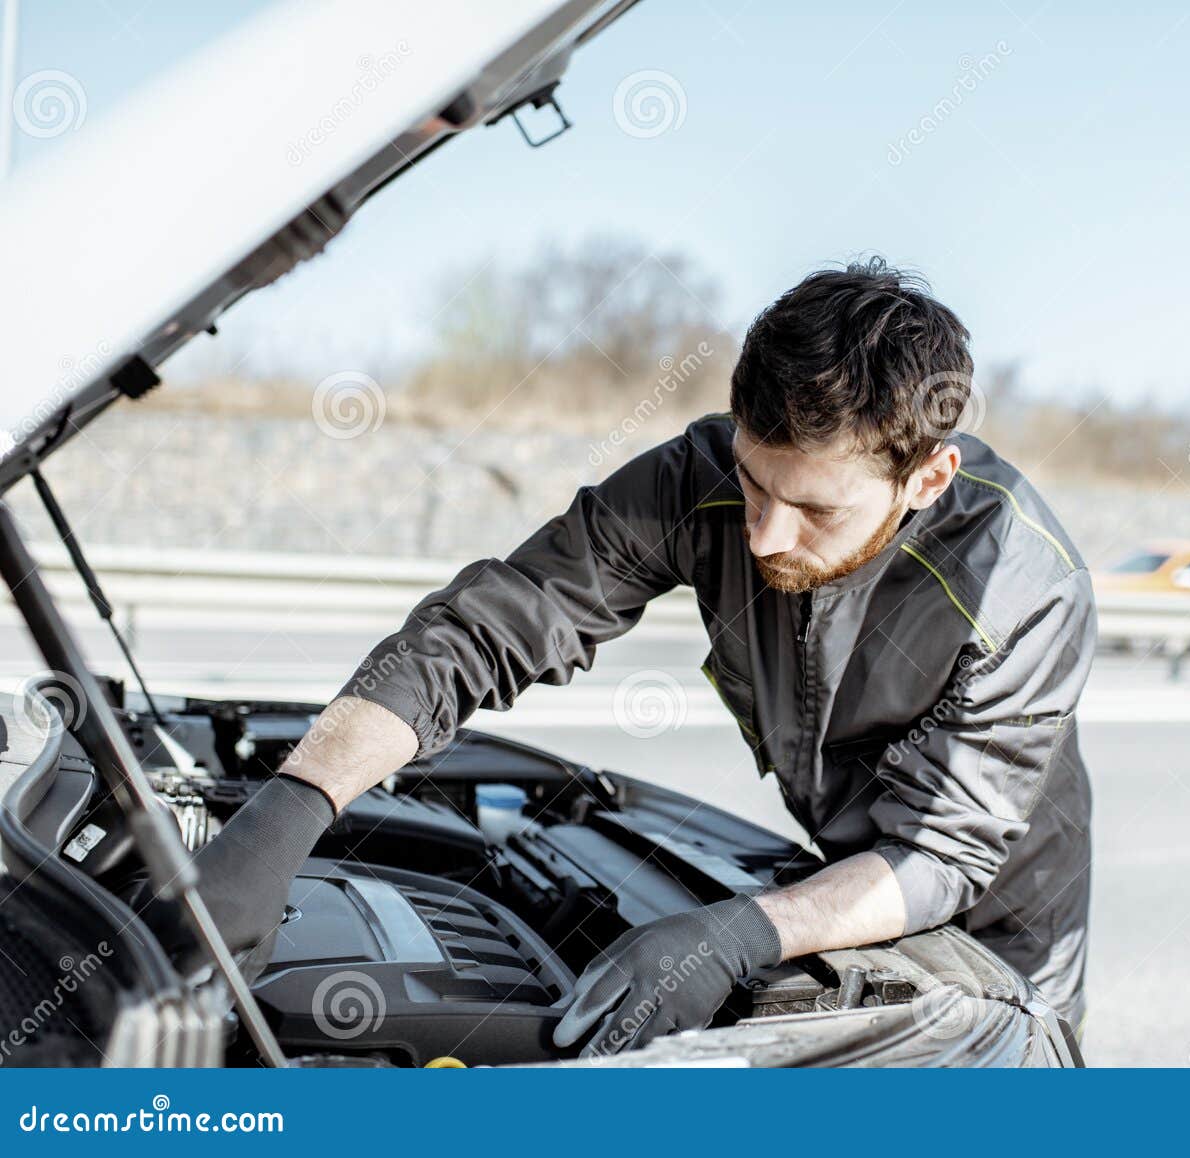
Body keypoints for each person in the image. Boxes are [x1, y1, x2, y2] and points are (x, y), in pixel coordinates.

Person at [179, 259, 1096, 1054]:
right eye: (752, 482)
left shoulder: (1018, 587)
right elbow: (487, 625)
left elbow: (941, 851)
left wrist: (738, 935)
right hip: (838, 871)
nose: (766, 535)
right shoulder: (698, 479)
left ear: (925, 479)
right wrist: (289, 813)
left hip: (1001, 926)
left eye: (816, 510)